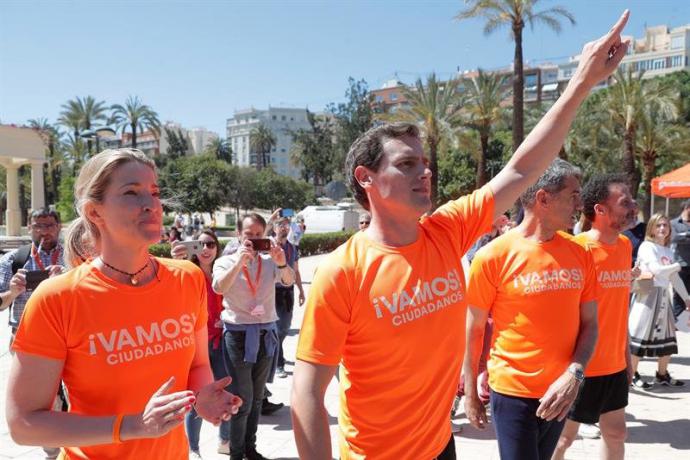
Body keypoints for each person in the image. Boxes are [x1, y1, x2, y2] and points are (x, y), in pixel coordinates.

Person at [291, 11, 630, 459]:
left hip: (440, 448)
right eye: (406, 164)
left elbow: (523, 168)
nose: (425, 172)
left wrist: (582, 83)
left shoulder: (446, 231)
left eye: (424, 162)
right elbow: (307, 395)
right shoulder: (342, 272)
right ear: (366, 178)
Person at [6, 148, 242, 459]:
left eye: (154, 192)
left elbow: (197, 365)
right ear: (94, 212)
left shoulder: (187, 278)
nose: (151, 205)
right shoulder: (57, 298)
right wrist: (133, 426)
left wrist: (202, 397)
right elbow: (23, 423)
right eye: (131, 192)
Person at [463, 159, 598, 460]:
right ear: (543, 199)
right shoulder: (492, 256)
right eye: (573, 194)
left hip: (561, 392)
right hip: (513, 393)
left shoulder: (580, 253)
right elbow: (472, 329)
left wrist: (574, 374)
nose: (581, 202)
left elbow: (590, 323)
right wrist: (470, 393)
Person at [552, 174, 639, 460]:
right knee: (563, 439)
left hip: (614, 366)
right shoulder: (577, 249)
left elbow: (618, 307)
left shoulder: (625, 246)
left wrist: (626, 357)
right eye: (624, 202)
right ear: (600, 210)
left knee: (616, 433)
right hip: (581, 366)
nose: (633, 206)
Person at [213, 213, 295, 460]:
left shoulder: (270, 262)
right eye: (249, 235)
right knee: (242, 398)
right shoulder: (226, 261)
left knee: (257, 398)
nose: (254, 240)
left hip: (265, 334)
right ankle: (236, 453)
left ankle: (250, 448)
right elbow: (218, 287)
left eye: (259, 235)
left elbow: (288, 281)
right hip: (237, 336)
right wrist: (239, 262)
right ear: (239, 235)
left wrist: (281, 262)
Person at [0, 207, 66, 460]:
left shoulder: (72, 257)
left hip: (68, 334)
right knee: (42, 400)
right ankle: (53, 452)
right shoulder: (13, 260)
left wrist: (68, 279)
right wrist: (14, 291)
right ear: (30, 228)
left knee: (78, 391)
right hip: (27, 337)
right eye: (38, 225)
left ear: (58, 226)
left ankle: (76, 446)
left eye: (48, 225)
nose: (43, 231)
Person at [171, 229, 232, 458]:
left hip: (222, 340)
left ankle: (224, 440)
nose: (206, 249)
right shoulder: (188, 272)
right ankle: (193, 447)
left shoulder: (223, 270)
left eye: (211, 244)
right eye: (201, 244)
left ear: (217, 248)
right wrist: (177, 263)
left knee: (225, 391)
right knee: (196, 397)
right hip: (198, 343)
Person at [629, 213, 690, 387]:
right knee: (639, 337)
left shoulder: (668, 249)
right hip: (647, 297)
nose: (662, 228)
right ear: (652, 229)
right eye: (658, 225)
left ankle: (661, 374)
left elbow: (674, 278)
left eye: (665, 225)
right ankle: (632, 374)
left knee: (668, 338)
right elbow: (657, 270)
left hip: (663, 297)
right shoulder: (647, 247)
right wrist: (678, 265)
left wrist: (686, 298)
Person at [273, 216, 305, 378]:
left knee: (284, 328)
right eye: (280, 225)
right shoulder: (269, 247)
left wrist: (300, 290)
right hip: (272, 292)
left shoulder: (292, 248)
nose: (284, 228)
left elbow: (296, 270)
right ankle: (278, 363)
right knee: (276, 330)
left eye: (286, 225)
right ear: (274, 229)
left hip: (288, 291)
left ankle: (276, 357)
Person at [670, 199, 690, 321]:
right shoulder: (673, 223)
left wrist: (684, 236)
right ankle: (677, 319)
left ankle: (687, 321)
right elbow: (673, 237)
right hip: (680, 264)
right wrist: (687, 235)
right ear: (688, 208)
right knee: (678, 293)